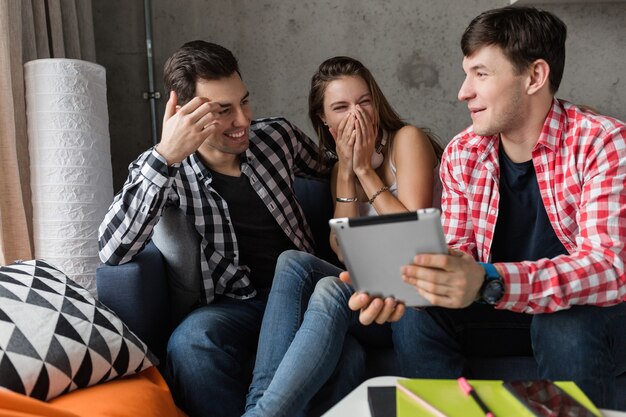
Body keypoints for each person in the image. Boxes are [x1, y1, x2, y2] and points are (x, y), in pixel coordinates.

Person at [358, 6, 626, 409]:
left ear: (535, 76)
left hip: (592, 316)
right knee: (420, 311)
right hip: (503, 306)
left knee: (563, 322)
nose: (463, 91)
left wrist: (488, 279)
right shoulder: (463, 152)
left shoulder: (602, 142)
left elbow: (608, 268)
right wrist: (408, 283)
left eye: (480, 74)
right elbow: (458, 254)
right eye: (467, 74)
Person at [97, 41, 341, 417]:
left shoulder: (276, 137)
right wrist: (166, 157)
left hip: (302, 294)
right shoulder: (163, 168)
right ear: (182, 112)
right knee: (190, 343)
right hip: (234, 304)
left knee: (305, 284)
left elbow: (333, 169)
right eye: (223, 110)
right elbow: (113, 250)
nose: (243, 120)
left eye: (244, 101)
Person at [244, 56, 443, 417]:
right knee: (291, 262)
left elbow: (412, 230)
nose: (357, 114)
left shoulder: (407, 140)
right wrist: (348, 171)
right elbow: (341, 249)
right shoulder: (339, 168)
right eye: (341, 106)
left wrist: (366, 169)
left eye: (364, 101)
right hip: (370, 289)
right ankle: (259, 407)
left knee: (330, 288)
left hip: (413, 290)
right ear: (325, 119)